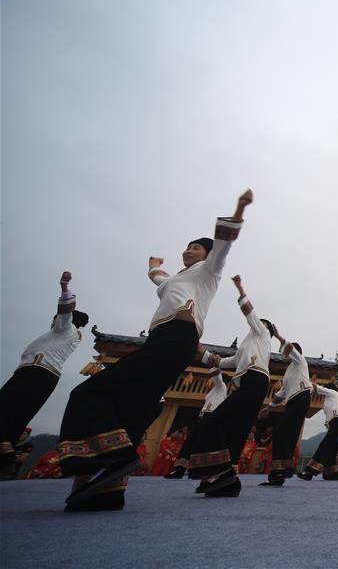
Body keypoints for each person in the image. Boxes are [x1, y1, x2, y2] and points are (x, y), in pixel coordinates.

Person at [57, 189, 251, 511]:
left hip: (177, 337)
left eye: (195, 247)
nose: (188, 250)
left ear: (207, 254)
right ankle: (107, 490)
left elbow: (224, 246)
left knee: (88, 394)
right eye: (186, 247)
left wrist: (238, 209)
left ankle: (115, 459)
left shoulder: (208, 273)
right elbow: (158, 278)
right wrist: (153, 265)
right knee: (133, 408)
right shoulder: (173, 281)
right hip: (163, 342)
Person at [188, 275, 275, 498]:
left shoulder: (263, 334)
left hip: (255, 380)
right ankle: (225, 478)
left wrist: (240, 288)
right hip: (249, 382)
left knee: (216, 420)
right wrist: (201, 352)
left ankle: (219, 472)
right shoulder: (244, 349)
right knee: (235, 428)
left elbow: (250, 314)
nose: (259, 324)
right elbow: (222, 362)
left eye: (262, 323)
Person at [1, 272, 88, 479]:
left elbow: (65, 312)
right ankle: (6, 457)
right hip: (44, 377)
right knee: (19, 416)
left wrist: (65, 287)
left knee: (5, 407)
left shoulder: (65, 329)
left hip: (34, 372)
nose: (55, 320)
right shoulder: (64, 336)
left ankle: (5, 451)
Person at [258, 327, 313, 486]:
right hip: (293, 401)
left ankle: (283, 469)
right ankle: (279, 472)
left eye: (288, 351)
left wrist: (277, 335)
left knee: (282, 430)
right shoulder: (290, 370)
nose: (285, 353)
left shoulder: (300, 360)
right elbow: (281, 393)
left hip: (301, 397)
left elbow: (289, 347)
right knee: (284, 432)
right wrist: (268, 407)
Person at [166, 369, 229, 479]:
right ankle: (180, 469)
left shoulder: (221, 386)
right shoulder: (214, 390)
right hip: (203, 416)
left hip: (210, 416)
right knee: (191, 442)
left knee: (200, 443)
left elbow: (217, 377)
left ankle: (197, 470)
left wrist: (214, 365)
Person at [298, 383, 338, 481]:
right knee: (331, 449)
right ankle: (332, 473)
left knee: (325, 445)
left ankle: (310, 471)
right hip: (336, 423)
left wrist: (308, 382)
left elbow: (317, 388)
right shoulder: (329, 400)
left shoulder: (333, 393)